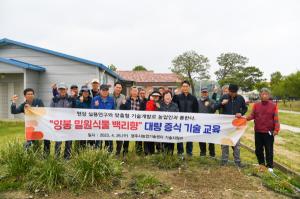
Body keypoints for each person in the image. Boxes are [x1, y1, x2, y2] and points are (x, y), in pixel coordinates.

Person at [246, 88, 280, 172]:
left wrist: (276, 129)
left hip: (269, 132)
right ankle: (261, 165)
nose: (264, 95)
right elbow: (252, 116)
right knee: (258, 150)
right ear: (260, 95)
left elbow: (276, 119)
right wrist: (243, 118)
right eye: (263, 94)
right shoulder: (256, 105)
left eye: (266, 94)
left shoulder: (273, 106)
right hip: (258, 131)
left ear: (269, 95)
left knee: (269, 150)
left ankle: (270, 166)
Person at [214, 84, 248, 167]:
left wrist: (241, 113)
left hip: (236, 125)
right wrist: (222, 103)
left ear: (236, 92)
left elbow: (245, 108)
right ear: (228, 90)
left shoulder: (240, 98)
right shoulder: (224, 97)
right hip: (225, 125)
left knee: (236, 144)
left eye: (233, 92)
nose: (231, 94)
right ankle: (224, 161)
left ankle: (237, 162)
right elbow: (215, 107)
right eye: (230, 92)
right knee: (225, 144)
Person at [11, 88, 50, 155]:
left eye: (32, 94)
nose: (30, 95)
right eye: (28, 94)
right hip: (32, 127)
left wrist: (31, 108)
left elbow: (43, 112)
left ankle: (46, 156)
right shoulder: (23, 105)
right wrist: (13, 102)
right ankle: (31, 156)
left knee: (46, 140)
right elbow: (14, 111)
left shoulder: (39, 101)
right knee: (30, 142)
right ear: (25, 96)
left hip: (42, 124)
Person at [50, 83, 76, 159]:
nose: (62, 91)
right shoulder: (54, 99)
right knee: (58, 142)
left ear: (67, 90)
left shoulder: (71, 98)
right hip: (59, 124)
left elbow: (75, 110)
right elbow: (51, 110)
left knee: (69, 142)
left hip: (69, 124)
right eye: (60, 89)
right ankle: (56, 158)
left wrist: (74, 98)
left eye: (63, 89)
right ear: (58, 90)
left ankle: (67, 158)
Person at [173, 80, 199, 157]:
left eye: (186, 86)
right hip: (179, 121)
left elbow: (196, 110)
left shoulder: (193, 98)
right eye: (183, 86)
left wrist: (194, 119)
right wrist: (175, 95)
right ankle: (180, 152)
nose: (185, 88)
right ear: (181, 87)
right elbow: (174, 107)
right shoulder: (177, 97)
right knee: (179, 137)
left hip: (190, 121)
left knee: (189, 137)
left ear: (189, 87)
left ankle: (189, 152)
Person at [120, 86, 146, 155]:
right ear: (130, 92)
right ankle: (125, 151)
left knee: (138, 137)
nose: (135, 92)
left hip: (138, 122)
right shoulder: (126, 100)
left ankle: (139, 151)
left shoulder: (142, 101)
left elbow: (144, 111)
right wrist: (122, 104)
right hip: (128, 122)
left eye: (136, 91)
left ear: (138, 92)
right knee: (126, 138)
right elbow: (121, 111)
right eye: (133, 91)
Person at [91, 84, 115, 152]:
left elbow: (113, 111)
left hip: (108, 123)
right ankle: (98, 153)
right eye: (103, 90)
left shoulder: (111, 99)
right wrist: (95, 106)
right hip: (98, 123)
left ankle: (109, 154)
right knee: (98, 140)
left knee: (109, 140)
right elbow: (91, 112)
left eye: (106, 90)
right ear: (100, 91)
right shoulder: (95, 99)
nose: (105, 92)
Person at [198, 87, 216, 157]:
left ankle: (212, 154)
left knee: (211, 140)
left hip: (210, 124)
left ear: (207, 93)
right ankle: (203, 153)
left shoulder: (212, 101)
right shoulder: (198, 101)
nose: (204, 94)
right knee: (201, 139)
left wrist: (209, 105)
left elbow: (214, 110)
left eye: (205, 92)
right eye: (203, 92)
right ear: (201, 93)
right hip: (200, 123)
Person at [112, 82, 127, 156]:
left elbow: (124, 108)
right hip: (110, 119)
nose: (118, 89)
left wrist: (124, 104)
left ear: (121, 89)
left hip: (119, 119)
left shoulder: (123, 97)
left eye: (120, 88)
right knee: (109, 136)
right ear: (114, 87)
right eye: (117, 87)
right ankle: (109, 151)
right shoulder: (109, 95)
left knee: (120, 136)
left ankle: (118, 152)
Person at [144, 91, 162, 155]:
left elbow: (163, 111)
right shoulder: (149, 102)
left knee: (158, 139)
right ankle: (148, 152)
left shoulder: (161, 103)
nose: (155, 97)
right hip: (150, 123)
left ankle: (159, 151)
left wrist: (159, 107)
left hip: (159, 123)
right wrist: (153, 103)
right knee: (149, 138)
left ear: (159, 97)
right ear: (151, 96)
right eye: (154, 96)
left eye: (157, 96)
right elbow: (148, 111)